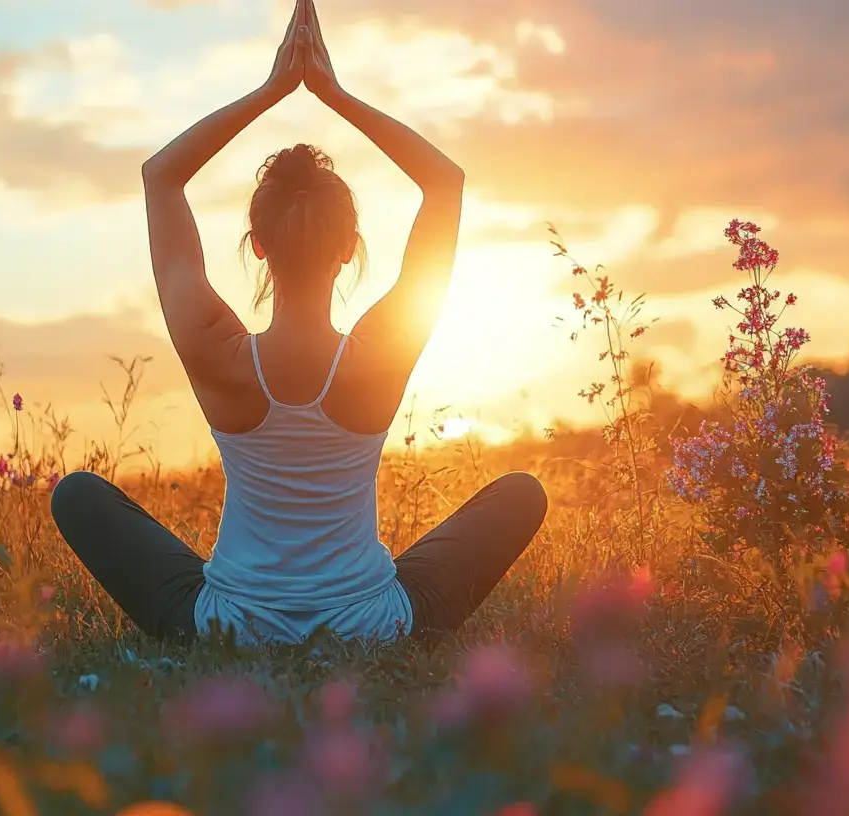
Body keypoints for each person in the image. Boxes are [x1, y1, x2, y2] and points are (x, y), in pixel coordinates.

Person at [51, 0, 547, 646]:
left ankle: (246, 610)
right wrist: (334, 95)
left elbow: (161, 179)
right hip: (370, 624)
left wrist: (272, 91)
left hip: (232, 626)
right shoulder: (380, 354)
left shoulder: (214, 349)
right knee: (522, 493)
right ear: (350, 248)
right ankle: (364, 608)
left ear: (257, 245)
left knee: (76, 495)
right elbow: (444, 184)